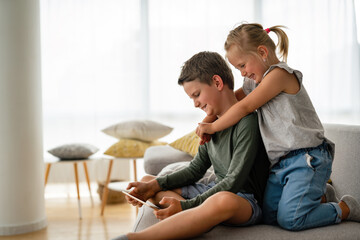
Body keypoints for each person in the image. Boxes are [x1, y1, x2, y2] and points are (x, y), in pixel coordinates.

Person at [196, 23, 360, 231]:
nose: (242, 73)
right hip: (280, 164)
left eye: (243, 65)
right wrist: (208, 118)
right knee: (269, 216)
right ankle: (321, 195)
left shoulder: (279, 75)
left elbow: (245, 106)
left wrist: (213, 127)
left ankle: (345, 208)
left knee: (290, 219)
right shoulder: (253, 84)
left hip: (307, 158)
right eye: (238, 68)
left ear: (262, 52)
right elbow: (231, 101)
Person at [112, 51, 269, 240]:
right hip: (216, 190)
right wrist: (153, 186)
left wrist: (186, 205)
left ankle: (135, 238)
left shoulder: (247, 122)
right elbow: (195, 170)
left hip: (244, 200)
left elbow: (233, 181)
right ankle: (196, 218)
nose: (195, 104)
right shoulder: (209, 127)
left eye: (197, 94)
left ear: (218, 83)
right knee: (148, 181)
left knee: (223, 200)